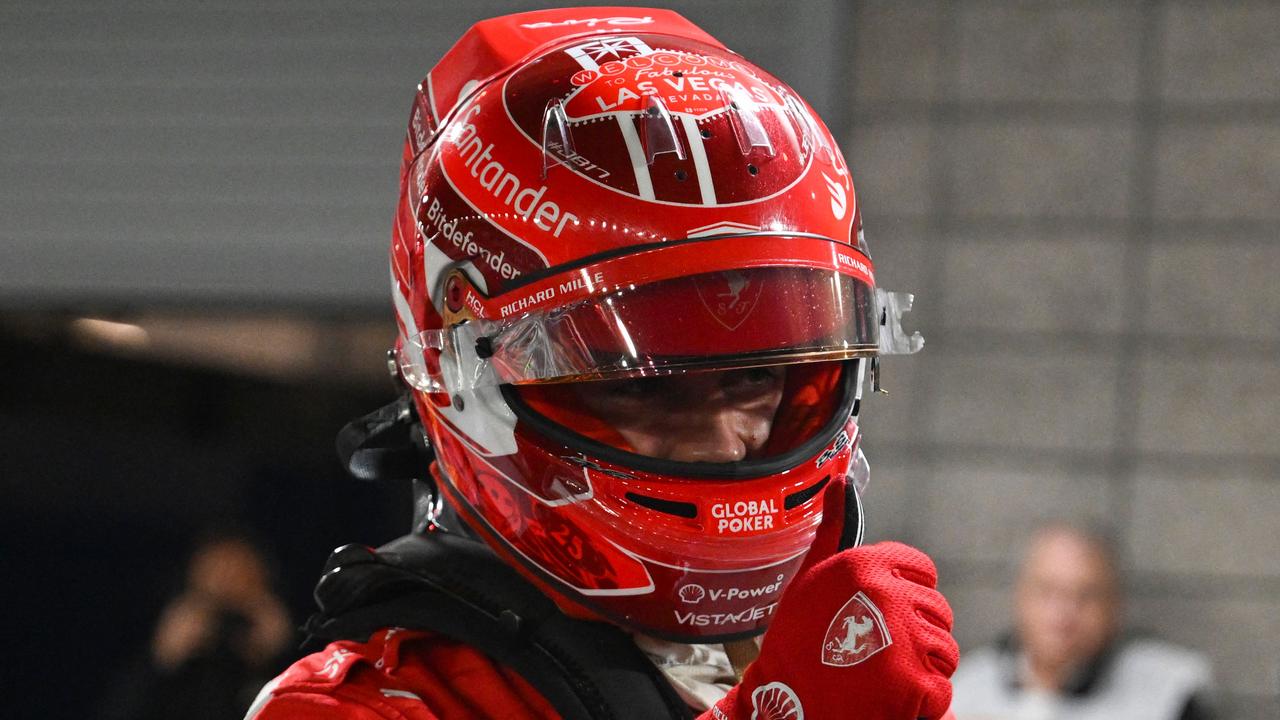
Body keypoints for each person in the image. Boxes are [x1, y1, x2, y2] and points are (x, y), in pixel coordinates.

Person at [248, 7, 956, 719]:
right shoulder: (357, 706)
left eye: (755, 376)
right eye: (641, 385)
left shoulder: (822, 656)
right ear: (465, 366)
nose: (720, 441)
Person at [950, 524, 1215, 719]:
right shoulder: (963, 689)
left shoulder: (1169, 691)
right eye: (1048, 591)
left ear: (1115, 605)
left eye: (1086, 595)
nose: (1065, 613)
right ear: (1019, 596)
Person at [104, 534, 294, 720]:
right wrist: (161, 661)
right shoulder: (173, 663)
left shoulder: (284, 661)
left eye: (240, 576)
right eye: (216, 574)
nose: (227, 586)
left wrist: (280, 659)